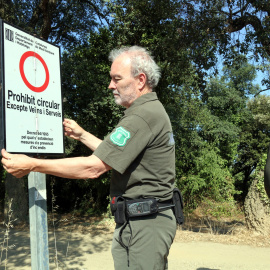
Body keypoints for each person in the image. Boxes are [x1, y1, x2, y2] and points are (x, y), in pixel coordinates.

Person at [1, 46, 177, 269]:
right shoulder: (147, 111)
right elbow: (113, 155)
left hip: (146, 223)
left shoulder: (142, 116)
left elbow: (93, 168)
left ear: (140, 80)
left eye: (116, 78)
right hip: (139, 220)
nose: (110, 85)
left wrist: (33, 164)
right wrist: (82, 135)